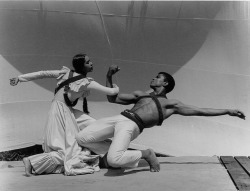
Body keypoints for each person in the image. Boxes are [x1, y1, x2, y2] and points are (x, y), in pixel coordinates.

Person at [76, 65, 246, 172]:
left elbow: (200, 110)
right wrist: (109, 76)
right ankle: (114, 148)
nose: (153, 78)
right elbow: (112, 98)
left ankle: (146, 153)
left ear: (165, 84)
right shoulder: (140, 94)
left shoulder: (171, 104)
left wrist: (227, 111)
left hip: (132, 126)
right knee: (81, 138)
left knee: (114, 160)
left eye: (158, 77)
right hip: (119, 118)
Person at [9, 54, 119, 176]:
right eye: (88, 62)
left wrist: (20, 78)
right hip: (60, 112)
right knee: (68, 153)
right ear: (82, 66)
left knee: (93, 126)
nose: (91, 63)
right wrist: (110, 77)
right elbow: (112, 91)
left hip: (63, 110)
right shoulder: (86, 82)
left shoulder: (65, 74)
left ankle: (111, 150)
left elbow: (42, 73)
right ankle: (30, 161)